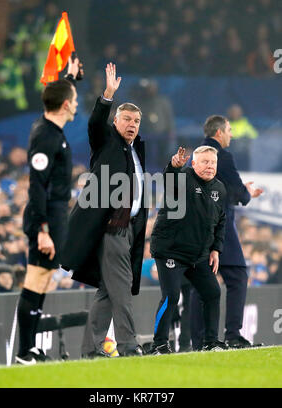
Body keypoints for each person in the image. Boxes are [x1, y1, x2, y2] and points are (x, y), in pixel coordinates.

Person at [60, 63, 148, 357]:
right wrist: (108, 95)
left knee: (107, 292)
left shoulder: (134, 150)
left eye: (136, 120)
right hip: (111, 227)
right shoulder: (106, 139)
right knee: (121, 287)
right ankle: (127, 345)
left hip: (128, 228)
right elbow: (95, 123)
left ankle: (92, 349)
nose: (132, 124)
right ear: (116, 121)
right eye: (126, 119)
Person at [15, 56, 82, 365]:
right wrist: (42, 230)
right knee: (36, 278)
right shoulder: (45, 136)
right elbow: (36, 184)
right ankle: (23, 352)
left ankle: (29, 349)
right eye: (75, 100)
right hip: (46, 215)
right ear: (66, 105)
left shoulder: (50, 129)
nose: (77, 104)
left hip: (54, 214)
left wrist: (69, 77)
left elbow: (56, 94)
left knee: (42, 280)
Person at [190, 115, 263, 350]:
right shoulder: (222, 155)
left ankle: (199, 339)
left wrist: (241, 191)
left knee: (200, 281)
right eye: (229, 130)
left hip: (198, 226)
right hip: (220, 226)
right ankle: (232, 334)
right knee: (238, 275)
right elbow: (236, 192)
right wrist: (247, 192)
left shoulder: (197, 155)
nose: (231, 134)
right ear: (219, 132)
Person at [150, 145, 228, 354]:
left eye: (213, 162)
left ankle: (211, 343)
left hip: (198, 255)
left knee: (212, 292)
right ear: (193, 163)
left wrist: (216, 250)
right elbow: (169, 181)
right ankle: (158, 344)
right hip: (170, 250)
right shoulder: (183, 177)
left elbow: (221, 222)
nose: (210, 166)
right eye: (205, 162)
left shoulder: (219, 189)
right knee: (171, 296)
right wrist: (174, 166)